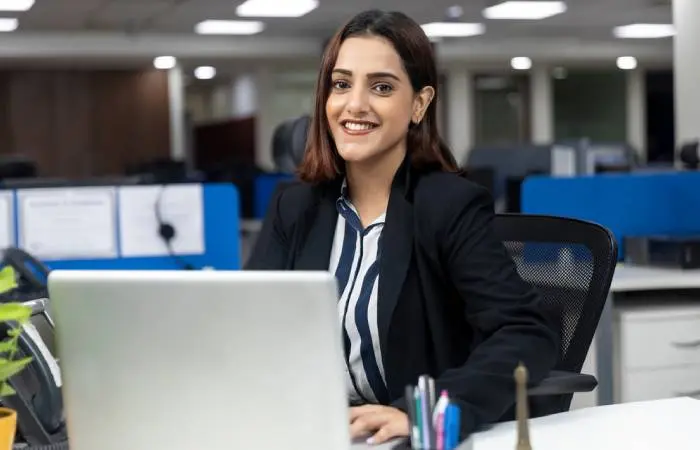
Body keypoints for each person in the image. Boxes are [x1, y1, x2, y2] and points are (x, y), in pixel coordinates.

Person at [246, 9, 559, 446]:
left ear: (419, 103)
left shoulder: (447, 206)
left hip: (400, 437)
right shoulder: (294, 207)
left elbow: (527, 332)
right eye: (341, 84)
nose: (354, 104)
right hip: (312, 430)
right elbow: (250, 327)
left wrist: (427, 411)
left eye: (381, 87)